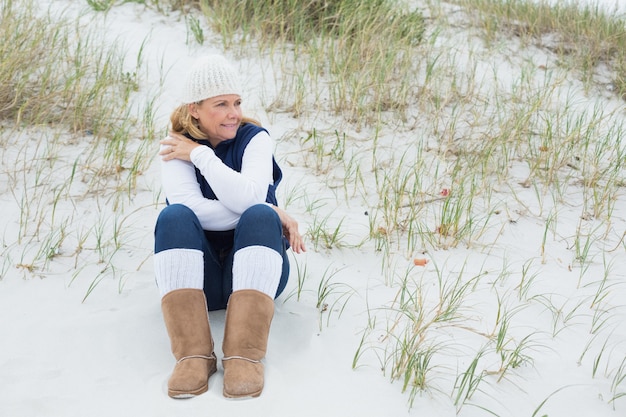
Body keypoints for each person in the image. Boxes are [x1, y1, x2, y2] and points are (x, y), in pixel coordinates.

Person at [153, 54, 306, 400]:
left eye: (236, 102)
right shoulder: (175, 145)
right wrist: (269, 207)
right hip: (198, 281)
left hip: (256, 276)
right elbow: (193, 209)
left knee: (260, 217)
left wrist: (201, 157)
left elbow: (250, 200)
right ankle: (193, 355)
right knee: (174, 216)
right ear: (194, 108)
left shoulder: (255, 140)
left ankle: (245, 355)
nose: (234, 113)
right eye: (221, 104)